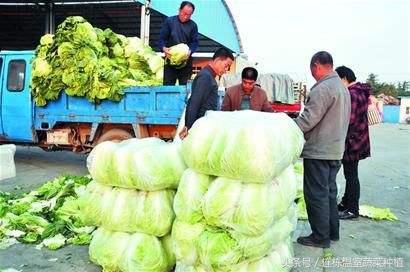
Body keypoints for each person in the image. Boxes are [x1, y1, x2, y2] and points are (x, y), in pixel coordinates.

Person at [295, 51, 351, 248]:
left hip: (319, 151)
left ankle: (320, 237)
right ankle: (331, 232)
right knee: (329, 193)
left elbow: (307, 121)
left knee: (316, 194)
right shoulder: (342, 88)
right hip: (335, 150)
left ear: (317, 66)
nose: (313, 75)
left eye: (312, 71)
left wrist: (286, 127)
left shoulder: (323, 88)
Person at [335, 66, 371, 220]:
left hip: (352, 141)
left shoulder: (352, 94)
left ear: (344, 78)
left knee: (351, 175)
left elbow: (349, 120)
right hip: (358, 139)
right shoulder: (361, 91)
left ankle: (352, 209)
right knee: (350, 174)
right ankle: (345, 203)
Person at [179, 47, 234, 139]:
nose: (226, 70)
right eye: (226, 65)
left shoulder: (209, 76)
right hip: (199, 128)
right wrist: (189, 128)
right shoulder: (205, 77)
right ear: (218, 60)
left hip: (203, 127)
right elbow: (194, 103)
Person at [158, 1, 198, 85]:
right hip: (170, 61)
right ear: (179, 10)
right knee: (168, 88)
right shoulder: (169, 21)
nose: (186, 16)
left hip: (186, 63)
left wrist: (190, 51)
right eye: (184, 13)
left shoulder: (193, 26)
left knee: (185, 89)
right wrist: (164, 48)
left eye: (189, 15)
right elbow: (162, 39)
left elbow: (194, 42)